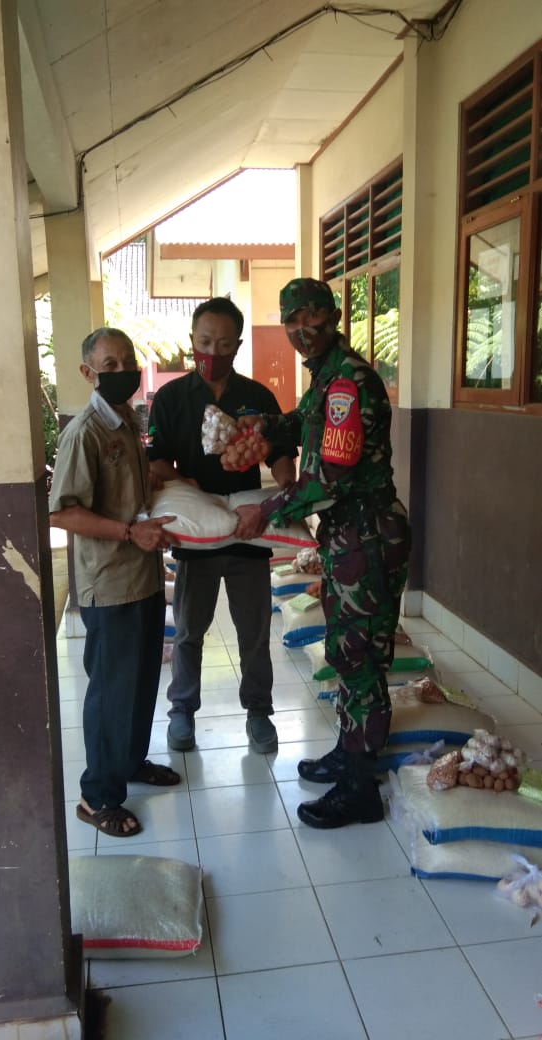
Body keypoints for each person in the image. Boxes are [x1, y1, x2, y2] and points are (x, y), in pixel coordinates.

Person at [231, 278, 411, 828]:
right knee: (346, 649)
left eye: (311, 316)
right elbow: (301, 422)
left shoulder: (348, 383)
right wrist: (265, 423)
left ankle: (360, 788)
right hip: (347, 536)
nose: (301, 329)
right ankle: (348, 749)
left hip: (365, 535)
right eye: (291, 319)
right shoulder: (326, 377)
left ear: (332, 316)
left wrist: (267, 510)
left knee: (359, 656)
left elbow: (329, 478)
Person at [147, 297, 296, 754]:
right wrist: (183, 482)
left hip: (248, 531)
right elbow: (156, 461)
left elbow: (281, 455)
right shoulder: (172, 398)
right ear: (192, 341)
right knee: (189, 631)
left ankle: (259, 713)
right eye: (205, 341)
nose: (213, 351)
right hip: (197, 535)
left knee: (254, 633)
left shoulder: (257, 397)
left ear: (238, 345)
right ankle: (182, 711)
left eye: (225, 343)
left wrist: (285, 494)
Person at [49, 327, 181, 839]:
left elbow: (126, 487)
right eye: (110, 365)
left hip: (142, 575)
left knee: (142, 680)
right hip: (109, 583)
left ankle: (128, 762)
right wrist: (129, 532)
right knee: (111, 692)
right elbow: (62, 513)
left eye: (128, 361)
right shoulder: (84, 433)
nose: (124, 370)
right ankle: (97, 796)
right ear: (89, 373)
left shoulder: (125, 418)